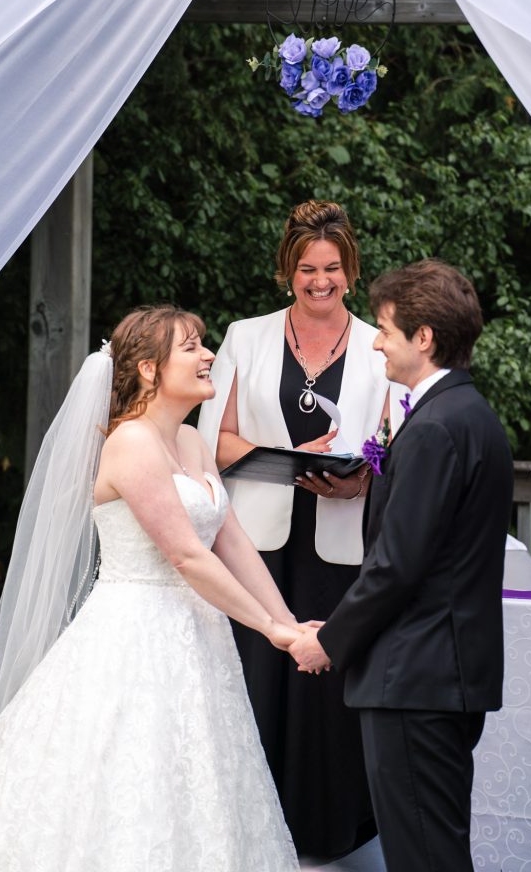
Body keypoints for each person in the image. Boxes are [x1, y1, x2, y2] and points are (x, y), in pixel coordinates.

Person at [0, 305, 301, 872]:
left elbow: (233, 543)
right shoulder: (130, 443)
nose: (207, 356)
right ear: (149, 370)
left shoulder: (196, 446)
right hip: (133, 636)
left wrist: (289, 622)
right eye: (192, 347)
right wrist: (270, 630)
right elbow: (184, 552)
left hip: (198, 637)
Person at [290, 259, 514, 872]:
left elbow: (397, 566)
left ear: (424, 338)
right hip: (440, 673)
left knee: (424, 856)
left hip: (417, 676)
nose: (376, 340)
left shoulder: (436, 428)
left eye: (386, 329)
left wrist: (329, 641)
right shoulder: (467, 416)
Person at [198, 200, 401, 864]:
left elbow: (392, 445)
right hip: (256, 544)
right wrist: (280, 457)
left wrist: (362, 478)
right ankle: (252, 832)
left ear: (350, 269)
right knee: (257, 684)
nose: (321, 281)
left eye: (333, 269)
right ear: (288, 270)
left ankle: (327, 840)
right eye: (308, 268)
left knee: (328, 698)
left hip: (340, 546)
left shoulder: (378, 347)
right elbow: (214, 439)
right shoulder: (243, 337)